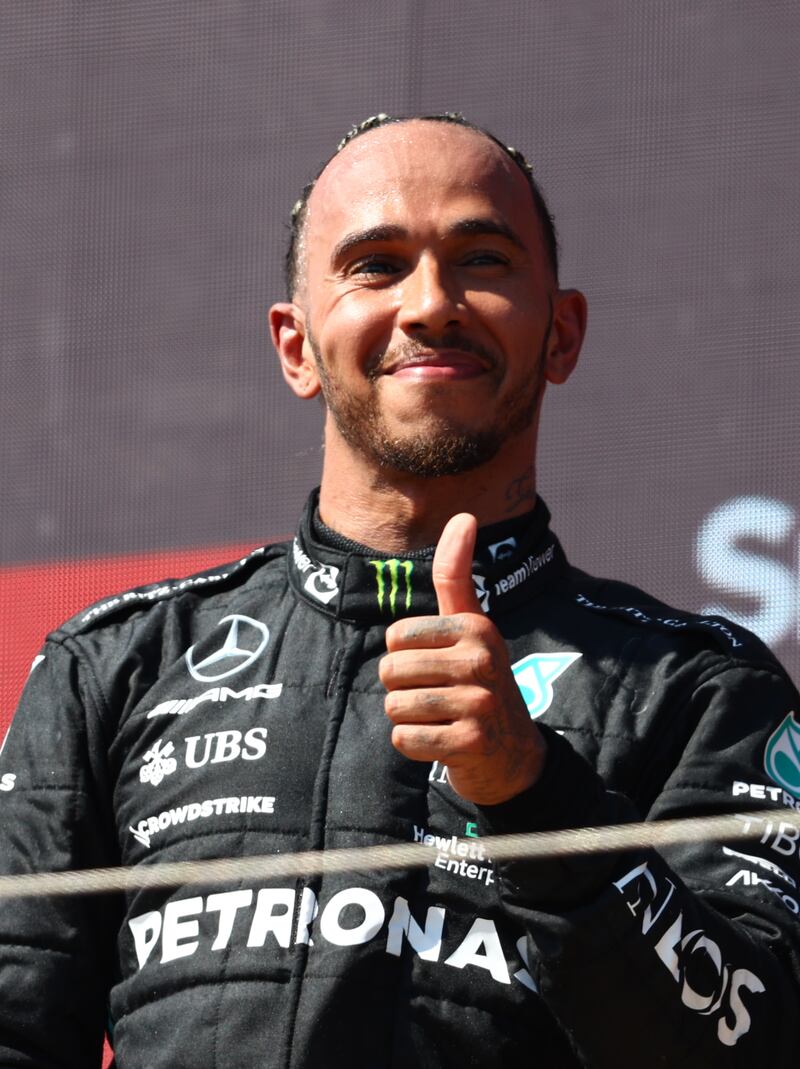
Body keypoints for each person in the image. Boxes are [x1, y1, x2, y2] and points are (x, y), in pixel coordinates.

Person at [1, 112, 799, 1069]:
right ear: (296, 346)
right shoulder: (113, 667)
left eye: (484, 260)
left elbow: (754, 1043)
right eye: (376, 265)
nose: (432, 304)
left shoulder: (704, 690)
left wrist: (536, 795)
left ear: (563, 333)